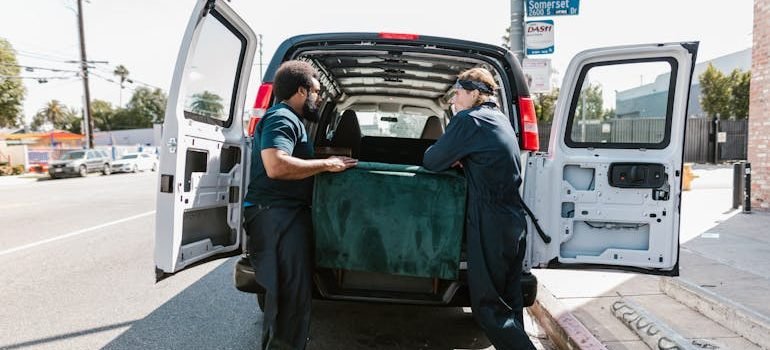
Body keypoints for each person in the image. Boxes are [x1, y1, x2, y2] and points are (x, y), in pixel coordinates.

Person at [243, 60, 357, 349]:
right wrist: (326, 164)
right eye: (316, 92)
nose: (318, 98)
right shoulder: (282, 118)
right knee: (286, 300)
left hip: (285, 215)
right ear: (302, 91)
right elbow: (276, 166)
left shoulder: (292, 119)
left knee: (292, 299)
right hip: (275, 216)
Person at [423, 67, 535, 349]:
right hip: (513, 220)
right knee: (510, 303)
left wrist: (458, 156)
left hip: (489, 221)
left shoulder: (469, 120)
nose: (454, 100)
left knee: (489, 309)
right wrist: (467, 158)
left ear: (474, 93)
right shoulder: (500, 120)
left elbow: (432, 160)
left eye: (458, 93)